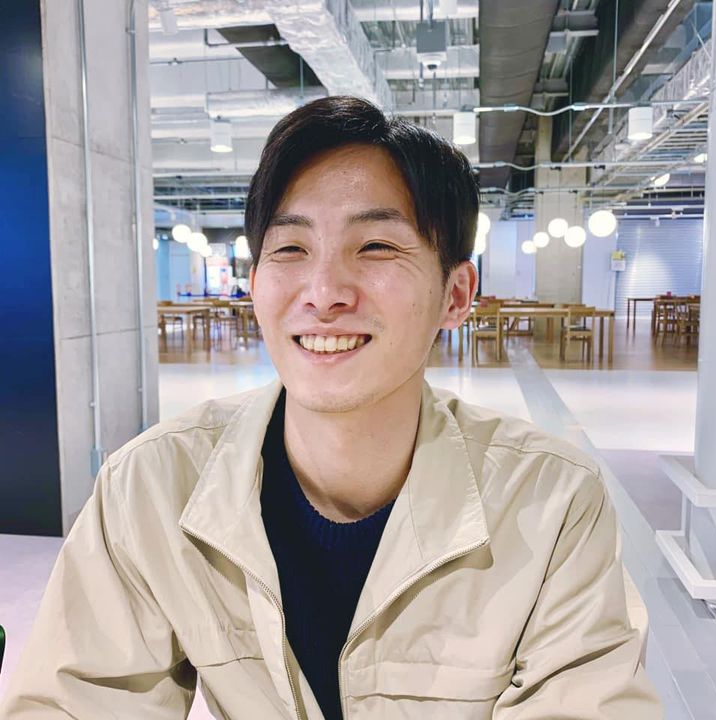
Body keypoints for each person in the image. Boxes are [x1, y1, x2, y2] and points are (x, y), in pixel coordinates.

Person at [0, 96, 661, 719]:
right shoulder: (151, 485)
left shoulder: (549, 502)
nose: (324, 291)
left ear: (456, 295)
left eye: (376, 247)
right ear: (255, 287)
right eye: (290, 249)